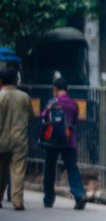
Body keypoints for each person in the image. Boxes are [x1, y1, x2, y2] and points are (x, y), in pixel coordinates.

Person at [41, 77, 88, 210]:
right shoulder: (73, 103)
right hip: (69, 141)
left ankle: (49, 198)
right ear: (67, 89)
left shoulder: (52, 102)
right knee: (72, 168)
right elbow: (74, 120)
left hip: (52, 141)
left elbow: (44, 116)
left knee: (50, 168)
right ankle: (79, 194)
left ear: (55, 89)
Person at [0, 68, 34, 211]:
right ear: (16, 80)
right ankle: (18, 200)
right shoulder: (24, 97)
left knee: (1, 171)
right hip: (19, 138)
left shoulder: (1, 96)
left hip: (1, 139)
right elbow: (31, 116)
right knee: (18, 171)